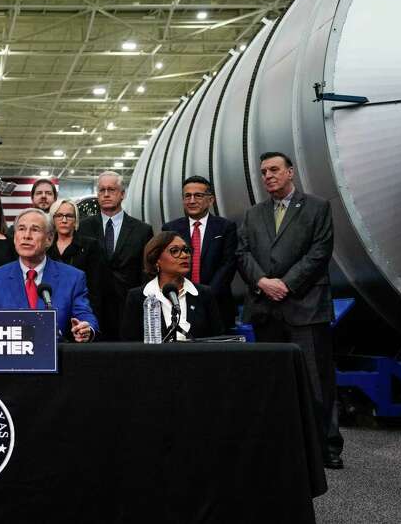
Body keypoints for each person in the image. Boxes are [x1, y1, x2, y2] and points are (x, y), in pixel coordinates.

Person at [237, 151, 342, 469]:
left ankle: (328, 447)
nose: (268, 175)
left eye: (274, 170)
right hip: (265, 308)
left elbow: (320, 251)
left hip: (305, 306)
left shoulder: (317, 207)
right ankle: (280, 443)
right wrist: (263, 282)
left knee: (316, 380)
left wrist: (286, 283)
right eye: (264, 171)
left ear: (290, 172)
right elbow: (242, 253)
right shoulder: (253, 214)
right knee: (272, 381)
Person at [0, 208, 98, 342]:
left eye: (35, 229)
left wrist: (85, 329)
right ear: (14, 238)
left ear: (49, 239)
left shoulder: (73, 277)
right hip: (9, 359)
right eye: (21, 229)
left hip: (55, 356)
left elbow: (84, 315)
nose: (27, 236)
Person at [162, 176, 238, 329]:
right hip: (179, 304)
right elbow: (167, 266)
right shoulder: (170, 229)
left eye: (198, 195)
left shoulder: (225, 227)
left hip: (218, 305)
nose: (191, 200)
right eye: (187, 196)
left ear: (211, 200)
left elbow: (228, 265)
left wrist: (205, 296)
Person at [120, 231, 223, 342]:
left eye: (186, 250)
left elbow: (218, 340)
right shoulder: (137, 297)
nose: (184, 255)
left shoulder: (204, 293)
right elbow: (129, 344)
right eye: (175, 251)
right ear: (156, 259)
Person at [47, 198, 121, 339]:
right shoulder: (45, 248)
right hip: (53, 312)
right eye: (59, 215)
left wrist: (91, 321)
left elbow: (98, 287)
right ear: (53, 219)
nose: (64, 220)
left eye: (69, 216)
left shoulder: (90, 246)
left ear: (75, 220)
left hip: (83, 312)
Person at [77, 171, 153, 290]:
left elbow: (147, 271)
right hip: (93, 301)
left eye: (111, 190)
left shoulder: (142, 230)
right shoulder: (83, 228)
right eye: (102, 190)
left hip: (128, 301)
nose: (106, 194)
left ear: (122, 194)